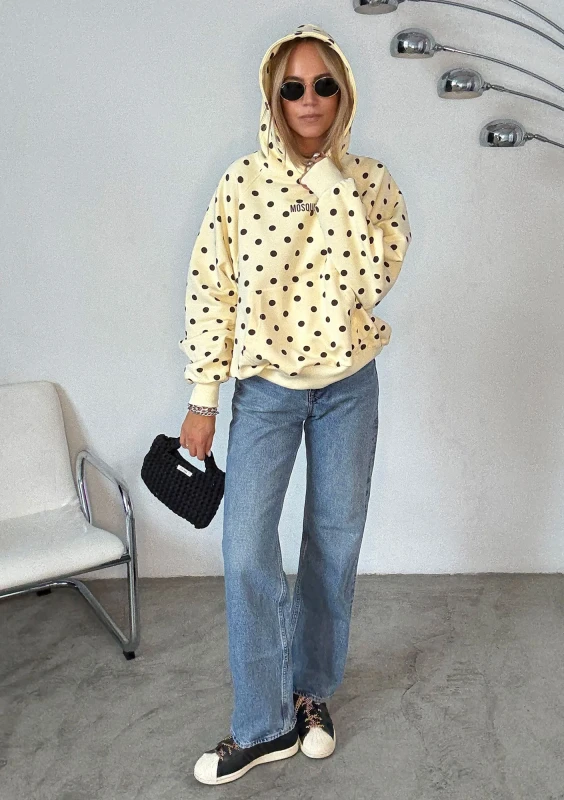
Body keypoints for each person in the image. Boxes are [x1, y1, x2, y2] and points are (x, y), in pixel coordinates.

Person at [179, 22, 412, 786]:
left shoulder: (370, 183)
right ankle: (264, 723)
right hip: (266, 393)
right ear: (272, 97)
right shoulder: (241, 184)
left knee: (332, 545)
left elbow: (372, 280)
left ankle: (311, 696)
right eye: (292, 87)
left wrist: (333, 183)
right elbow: (211, 291)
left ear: (343, 93)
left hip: (349, 387)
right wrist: (203, 400)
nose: (308, 99)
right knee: (247, 549)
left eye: (323, 85)